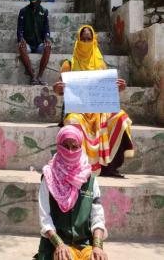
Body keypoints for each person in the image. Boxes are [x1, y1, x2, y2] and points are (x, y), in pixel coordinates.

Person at [53, 25, 134, 178]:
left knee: (120, 117)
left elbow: (107, 91)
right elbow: (59, 90)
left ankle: (110, 167)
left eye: (88, 39)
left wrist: (119, 88)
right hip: (78, 111)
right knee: (73, 122)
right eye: (82, 39)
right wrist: (57, 88)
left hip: (99, 110)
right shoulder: (68, 64)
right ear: (78, 40)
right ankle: (79, 168)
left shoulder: (101, 65)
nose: (85, 42)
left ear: (94, 40)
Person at [36, 125, 108, 260]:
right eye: (65, 146)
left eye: (74, 147)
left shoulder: (90, 180)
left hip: (85, 245)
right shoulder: (49, 177)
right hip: (56, 245)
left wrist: (98, 246)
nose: (70, 151)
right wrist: (60, 245)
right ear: (58, 146)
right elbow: (45, 219)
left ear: (80, 148)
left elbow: (97, 217)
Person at [17, 0, 52, 85]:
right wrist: (21, 39)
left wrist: (47, 38)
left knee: (48, 46)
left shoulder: (44, 11)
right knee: (21, 46)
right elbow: (19, 29)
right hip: (28, 44)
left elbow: (47, 28)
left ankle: (39, 76)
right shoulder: (23, 11)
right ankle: (32, 76)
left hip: (39, 44)